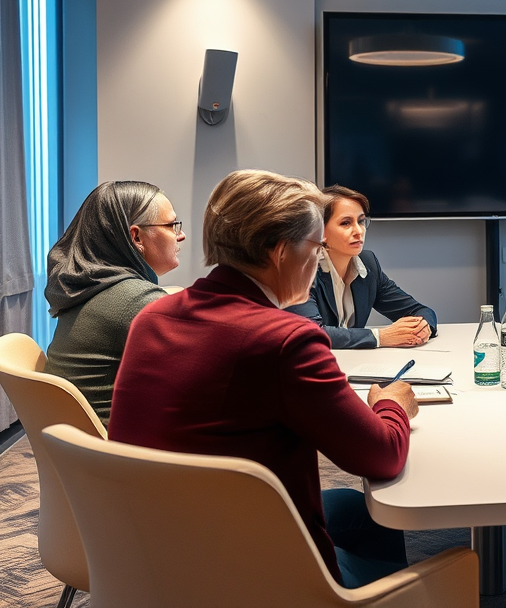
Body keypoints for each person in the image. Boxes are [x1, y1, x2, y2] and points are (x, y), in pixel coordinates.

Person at [108, 170, 419, 588]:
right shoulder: (284, 340)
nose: (317, 260)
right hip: (252, 569)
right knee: (417, 549)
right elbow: (381, 456)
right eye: (315, 247)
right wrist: (391, 405)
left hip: (156, 545)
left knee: (355, 507)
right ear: (279, 252)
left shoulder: (152, 317)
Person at [43, 181, 185, 424]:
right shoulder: (137, 301)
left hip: (79, 451)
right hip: (123, 455)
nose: (180, 235)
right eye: (172, 225)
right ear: (137, 237)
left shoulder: (86, 289)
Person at [287, 185, 437, 349]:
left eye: (361, 221)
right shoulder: (301, 270)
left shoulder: (368, 264)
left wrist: (423, 327)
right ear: (320, 232)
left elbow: (419, 310)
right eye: (346, 223)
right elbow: (310, 334)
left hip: (353, 365)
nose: (359, 231)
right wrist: (380, 337)